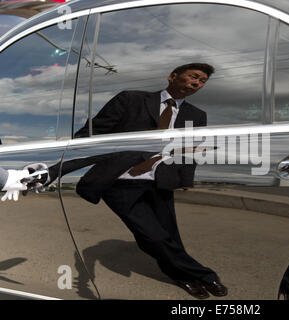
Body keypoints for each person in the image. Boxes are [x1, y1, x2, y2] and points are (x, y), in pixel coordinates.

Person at [71, 63, 227, 299]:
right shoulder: (132, 99)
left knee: (168, 236)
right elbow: (95, 130)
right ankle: (205, 275)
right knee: (154, 236)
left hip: (161, 181)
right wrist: (80, 150)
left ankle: (182, 277)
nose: (197, 83)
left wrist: (185, 179)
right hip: (121, 181)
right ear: (173, 76)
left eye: (202, 81)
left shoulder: (196, 115)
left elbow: (188, 152)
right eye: (194, 77)